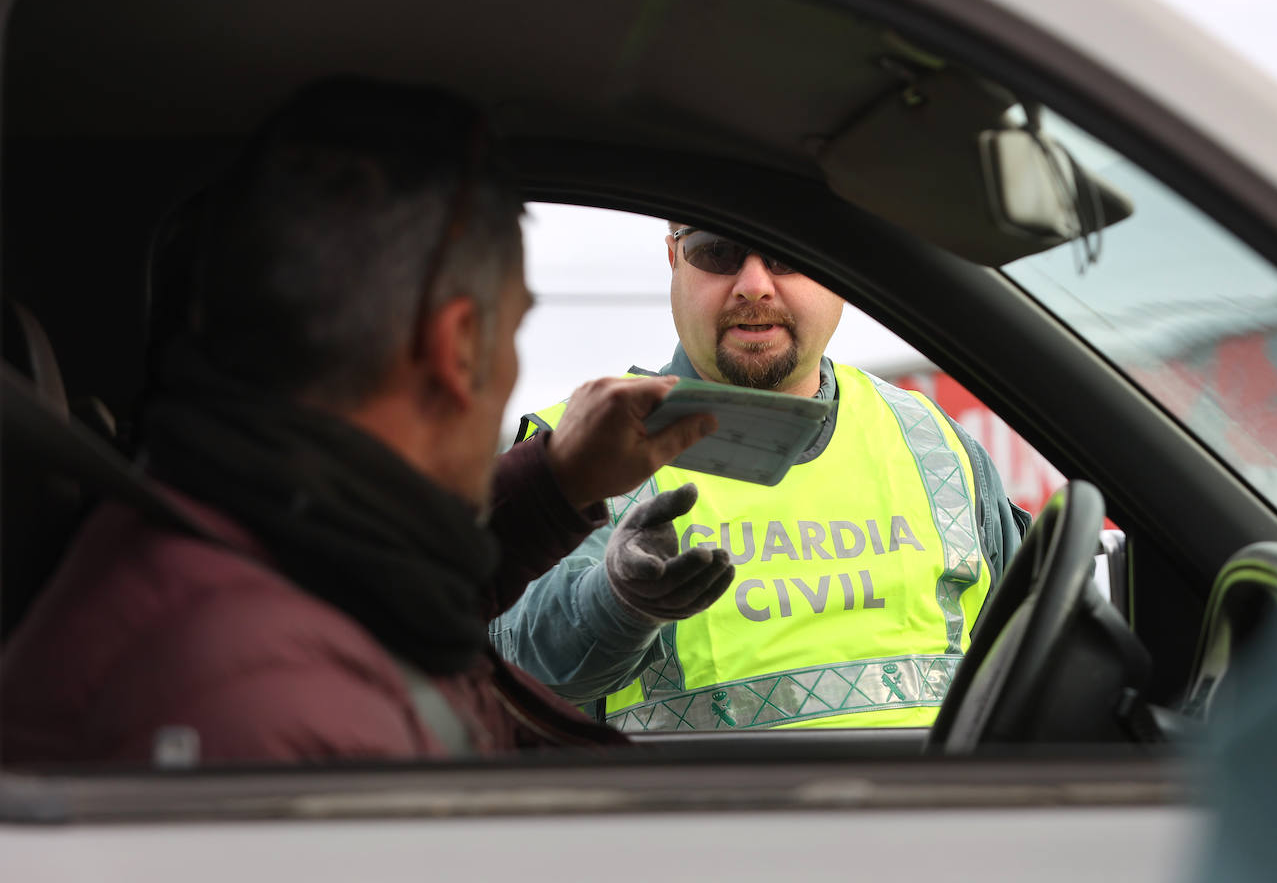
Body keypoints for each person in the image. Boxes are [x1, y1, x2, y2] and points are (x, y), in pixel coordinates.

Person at [0, 78, 721, 764]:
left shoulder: (254, 529)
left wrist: (556, 484)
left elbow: (378, 593)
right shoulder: (272, 712)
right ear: (460, 347)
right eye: (513, 331)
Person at [492, 223, 1031, 731]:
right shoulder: (577, 447)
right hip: (704, 825)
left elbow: (1031, 656)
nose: (753, 286)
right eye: (718, 252)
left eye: (787, 252)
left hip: (939, 821)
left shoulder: (933, 442)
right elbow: (516, 671)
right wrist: (615, 602)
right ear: (674, 258)